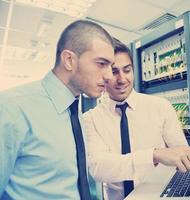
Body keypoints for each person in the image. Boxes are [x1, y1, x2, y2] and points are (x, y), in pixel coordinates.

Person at [83, 39, 190, 200]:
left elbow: (180, 154)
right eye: (114, 72)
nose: (122, 79)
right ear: (103, 75)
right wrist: (153, 155)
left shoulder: (160, 107)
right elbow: (99, 168)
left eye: (127, 70)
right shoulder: (91, 119)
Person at [0, 20, 115, 200]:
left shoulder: (74, 111)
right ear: (69, 60)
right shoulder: (10, 108)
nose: (109, 76)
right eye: (101, 64)